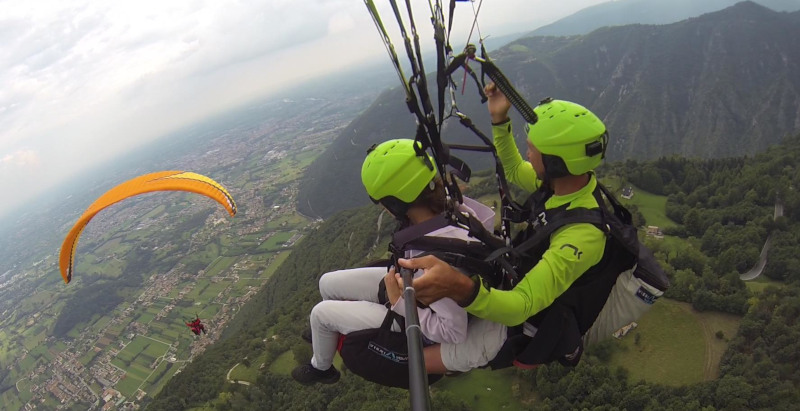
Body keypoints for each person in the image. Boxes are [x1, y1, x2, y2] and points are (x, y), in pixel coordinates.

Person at [394, 83, 613, 374]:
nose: (528, 153)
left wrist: (462, 288)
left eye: (533, 150)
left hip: (531, 319)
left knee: (412, 365)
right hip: (514, 281)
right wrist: (499, 119)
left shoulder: (583, 235)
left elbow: (519, 307)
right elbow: (512, 169)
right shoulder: (560, 185)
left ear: (556, 163)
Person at [291, 138, 494, 385]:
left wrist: (399, 302)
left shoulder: (432, 261)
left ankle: (321, 368)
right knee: (327, 284)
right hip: (406, 285)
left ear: (394, 204)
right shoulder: (451, 209)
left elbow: (453, 331)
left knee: (321, 314)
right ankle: (327, 332)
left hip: (413, 314)